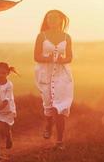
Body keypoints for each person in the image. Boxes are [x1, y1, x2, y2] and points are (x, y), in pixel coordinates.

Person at [34, 10, 74, 150]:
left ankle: (60, 141)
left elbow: (70, 57)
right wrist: (47, 58)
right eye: (49, 18)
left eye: (54, 18)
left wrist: (64, 60)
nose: (51, 20)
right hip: (45, 73)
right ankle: (48, 124)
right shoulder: (41, 36)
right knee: (49, 105)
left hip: (62, 75)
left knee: (60, 107)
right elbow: (36, 56)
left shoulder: (66, 37)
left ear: (60, 19)